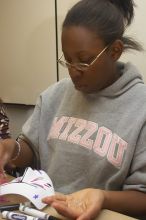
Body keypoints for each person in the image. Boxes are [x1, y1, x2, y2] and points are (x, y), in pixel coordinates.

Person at [0, 0, 146, 219]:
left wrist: (103, 197)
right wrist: (13, 150)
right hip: (45, 211)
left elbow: (142, 197)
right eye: (67, 60)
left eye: (84, 61)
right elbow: (33, 150)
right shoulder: (54, 95)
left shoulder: (140, 107)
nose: (73, 72)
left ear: (115, 51)